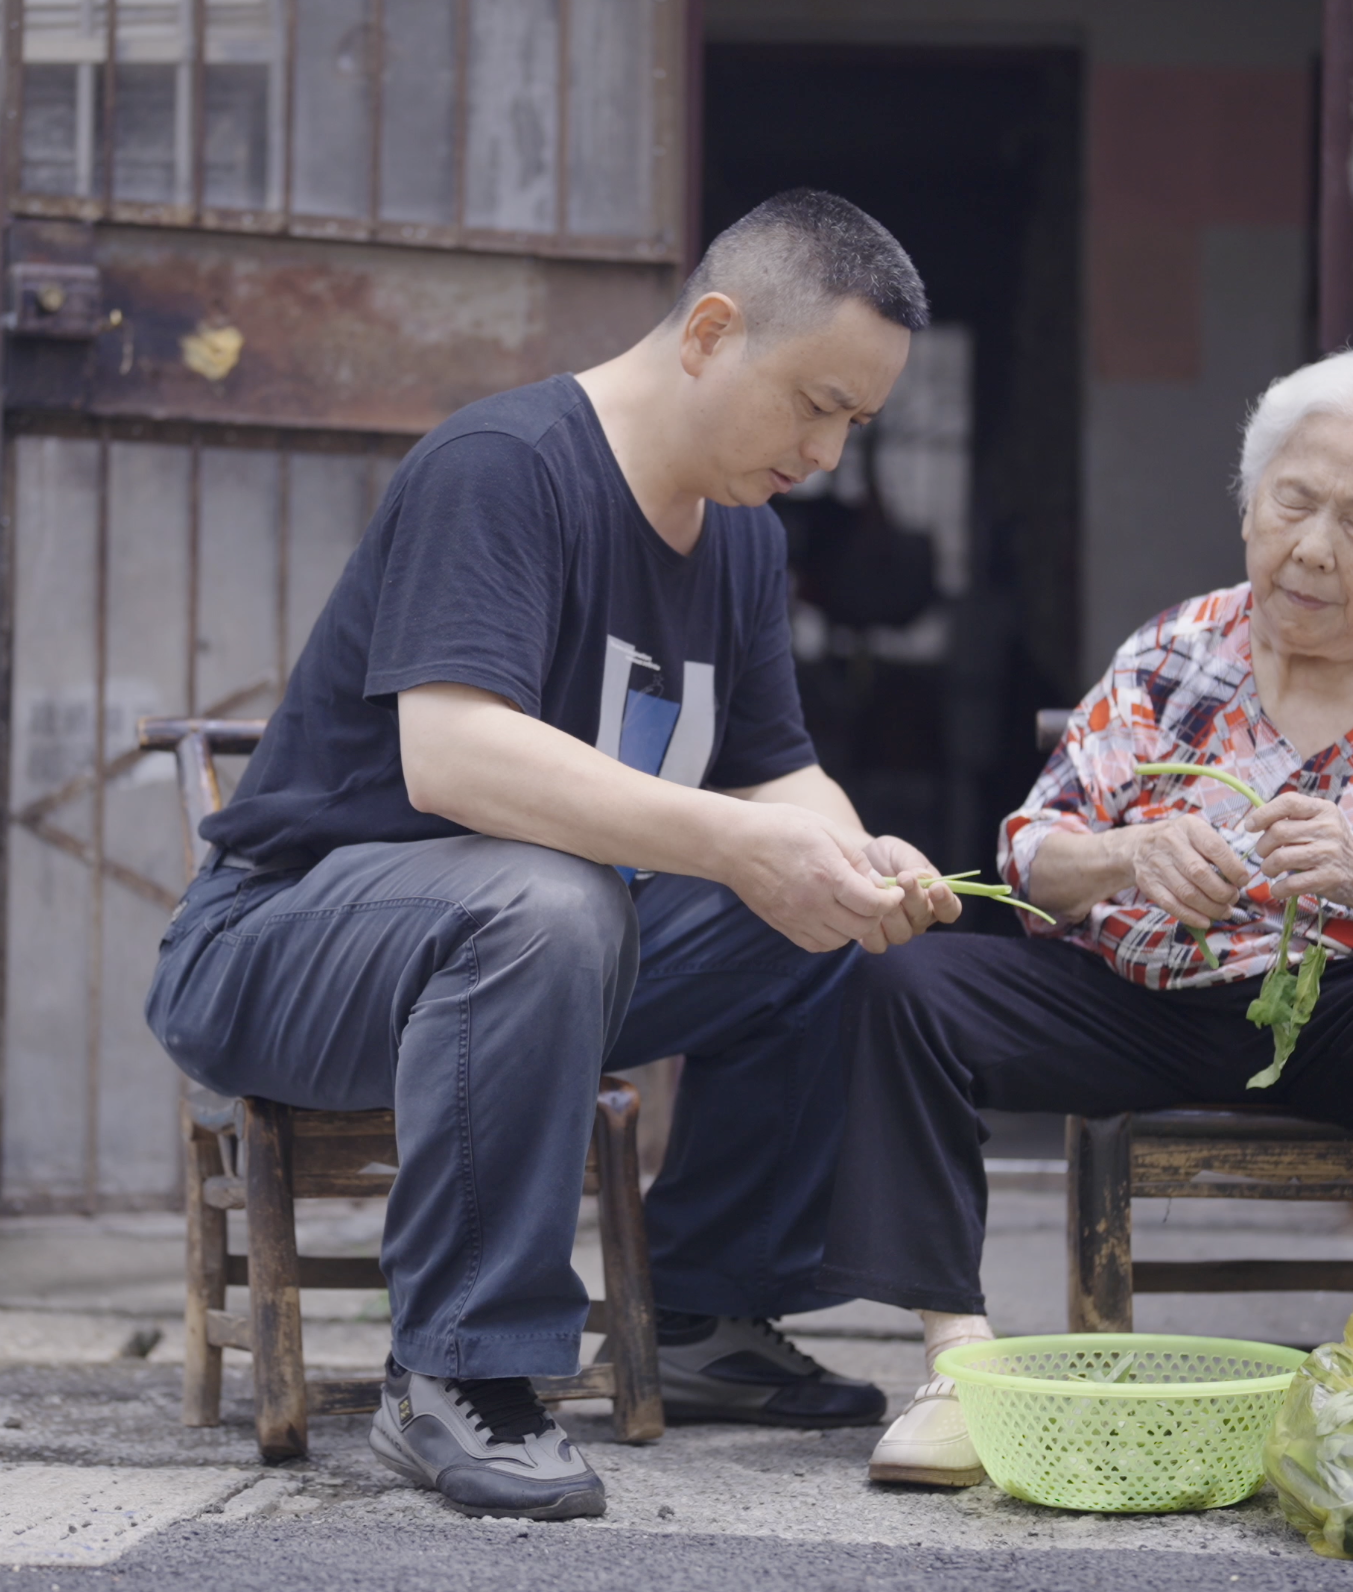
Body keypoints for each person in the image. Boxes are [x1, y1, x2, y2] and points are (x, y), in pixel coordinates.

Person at [146, 190, 966, 1522]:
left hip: (538, 947)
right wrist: (748, 844)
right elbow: (453, 762)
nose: (822, 453)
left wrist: (848, 852)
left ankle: (707, 1314)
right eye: (813, 404)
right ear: (709, 331)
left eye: (852, 425)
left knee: (820, 917)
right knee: (548, 894)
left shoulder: (746, 538)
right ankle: (456, 1375)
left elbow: (771, 771)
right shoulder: (508, 467)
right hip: (281, 944)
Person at [815, 348, 1353, 1488]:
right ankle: (956, 1360)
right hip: (1142, 1003)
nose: (1314, 545)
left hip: (1349, 1016)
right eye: (1292, 502)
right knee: (902, 980)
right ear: (1247, 508)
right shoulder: (1174, 656)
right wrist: (1127, 852)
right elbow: (1030, 855)